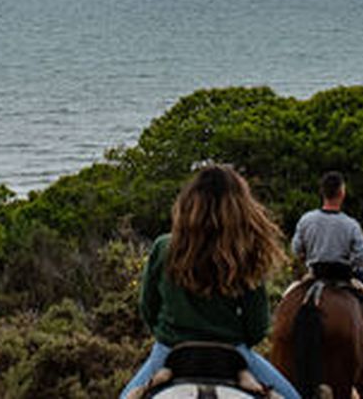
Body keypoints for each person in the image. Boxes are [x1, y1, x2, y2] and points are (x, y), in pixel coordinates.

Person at [121, 164, 301, 399]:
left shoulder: (164, 247)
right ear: (240, 207)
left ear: (189, 203)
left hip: (169, 351)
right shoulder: (245, 252)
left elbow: (148, 308)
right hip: (232, 352)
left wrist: (169, 334)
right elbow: (257, 327)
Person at [290, 171, 363, 365]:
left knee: (287, 298)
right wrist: (351, 262)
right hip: (344, 274)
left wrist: (310, 254)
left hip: (315, 273)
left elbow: (296, 249)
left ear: (322, 193)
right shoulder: (350, 225)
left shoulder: (306, 220)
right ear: (342, 193)